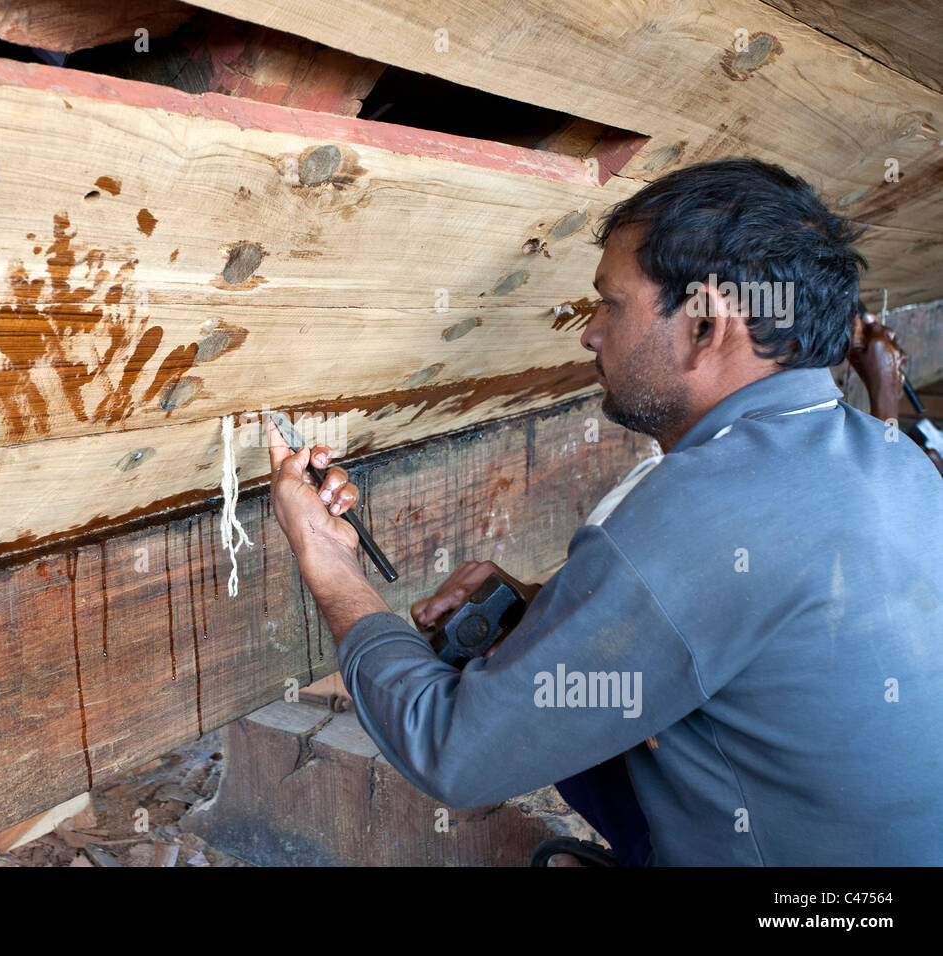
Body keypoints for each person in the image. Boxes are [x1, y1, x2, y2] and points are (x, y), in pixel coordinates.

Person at [265, 158, 943, 865]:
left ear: (708, 323)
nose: (589, 335)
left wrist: (329, 563)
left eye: (611, 305)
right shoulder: (896, 461)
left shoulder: (693, 514)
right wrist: (558, 619)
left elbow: (452, 755)